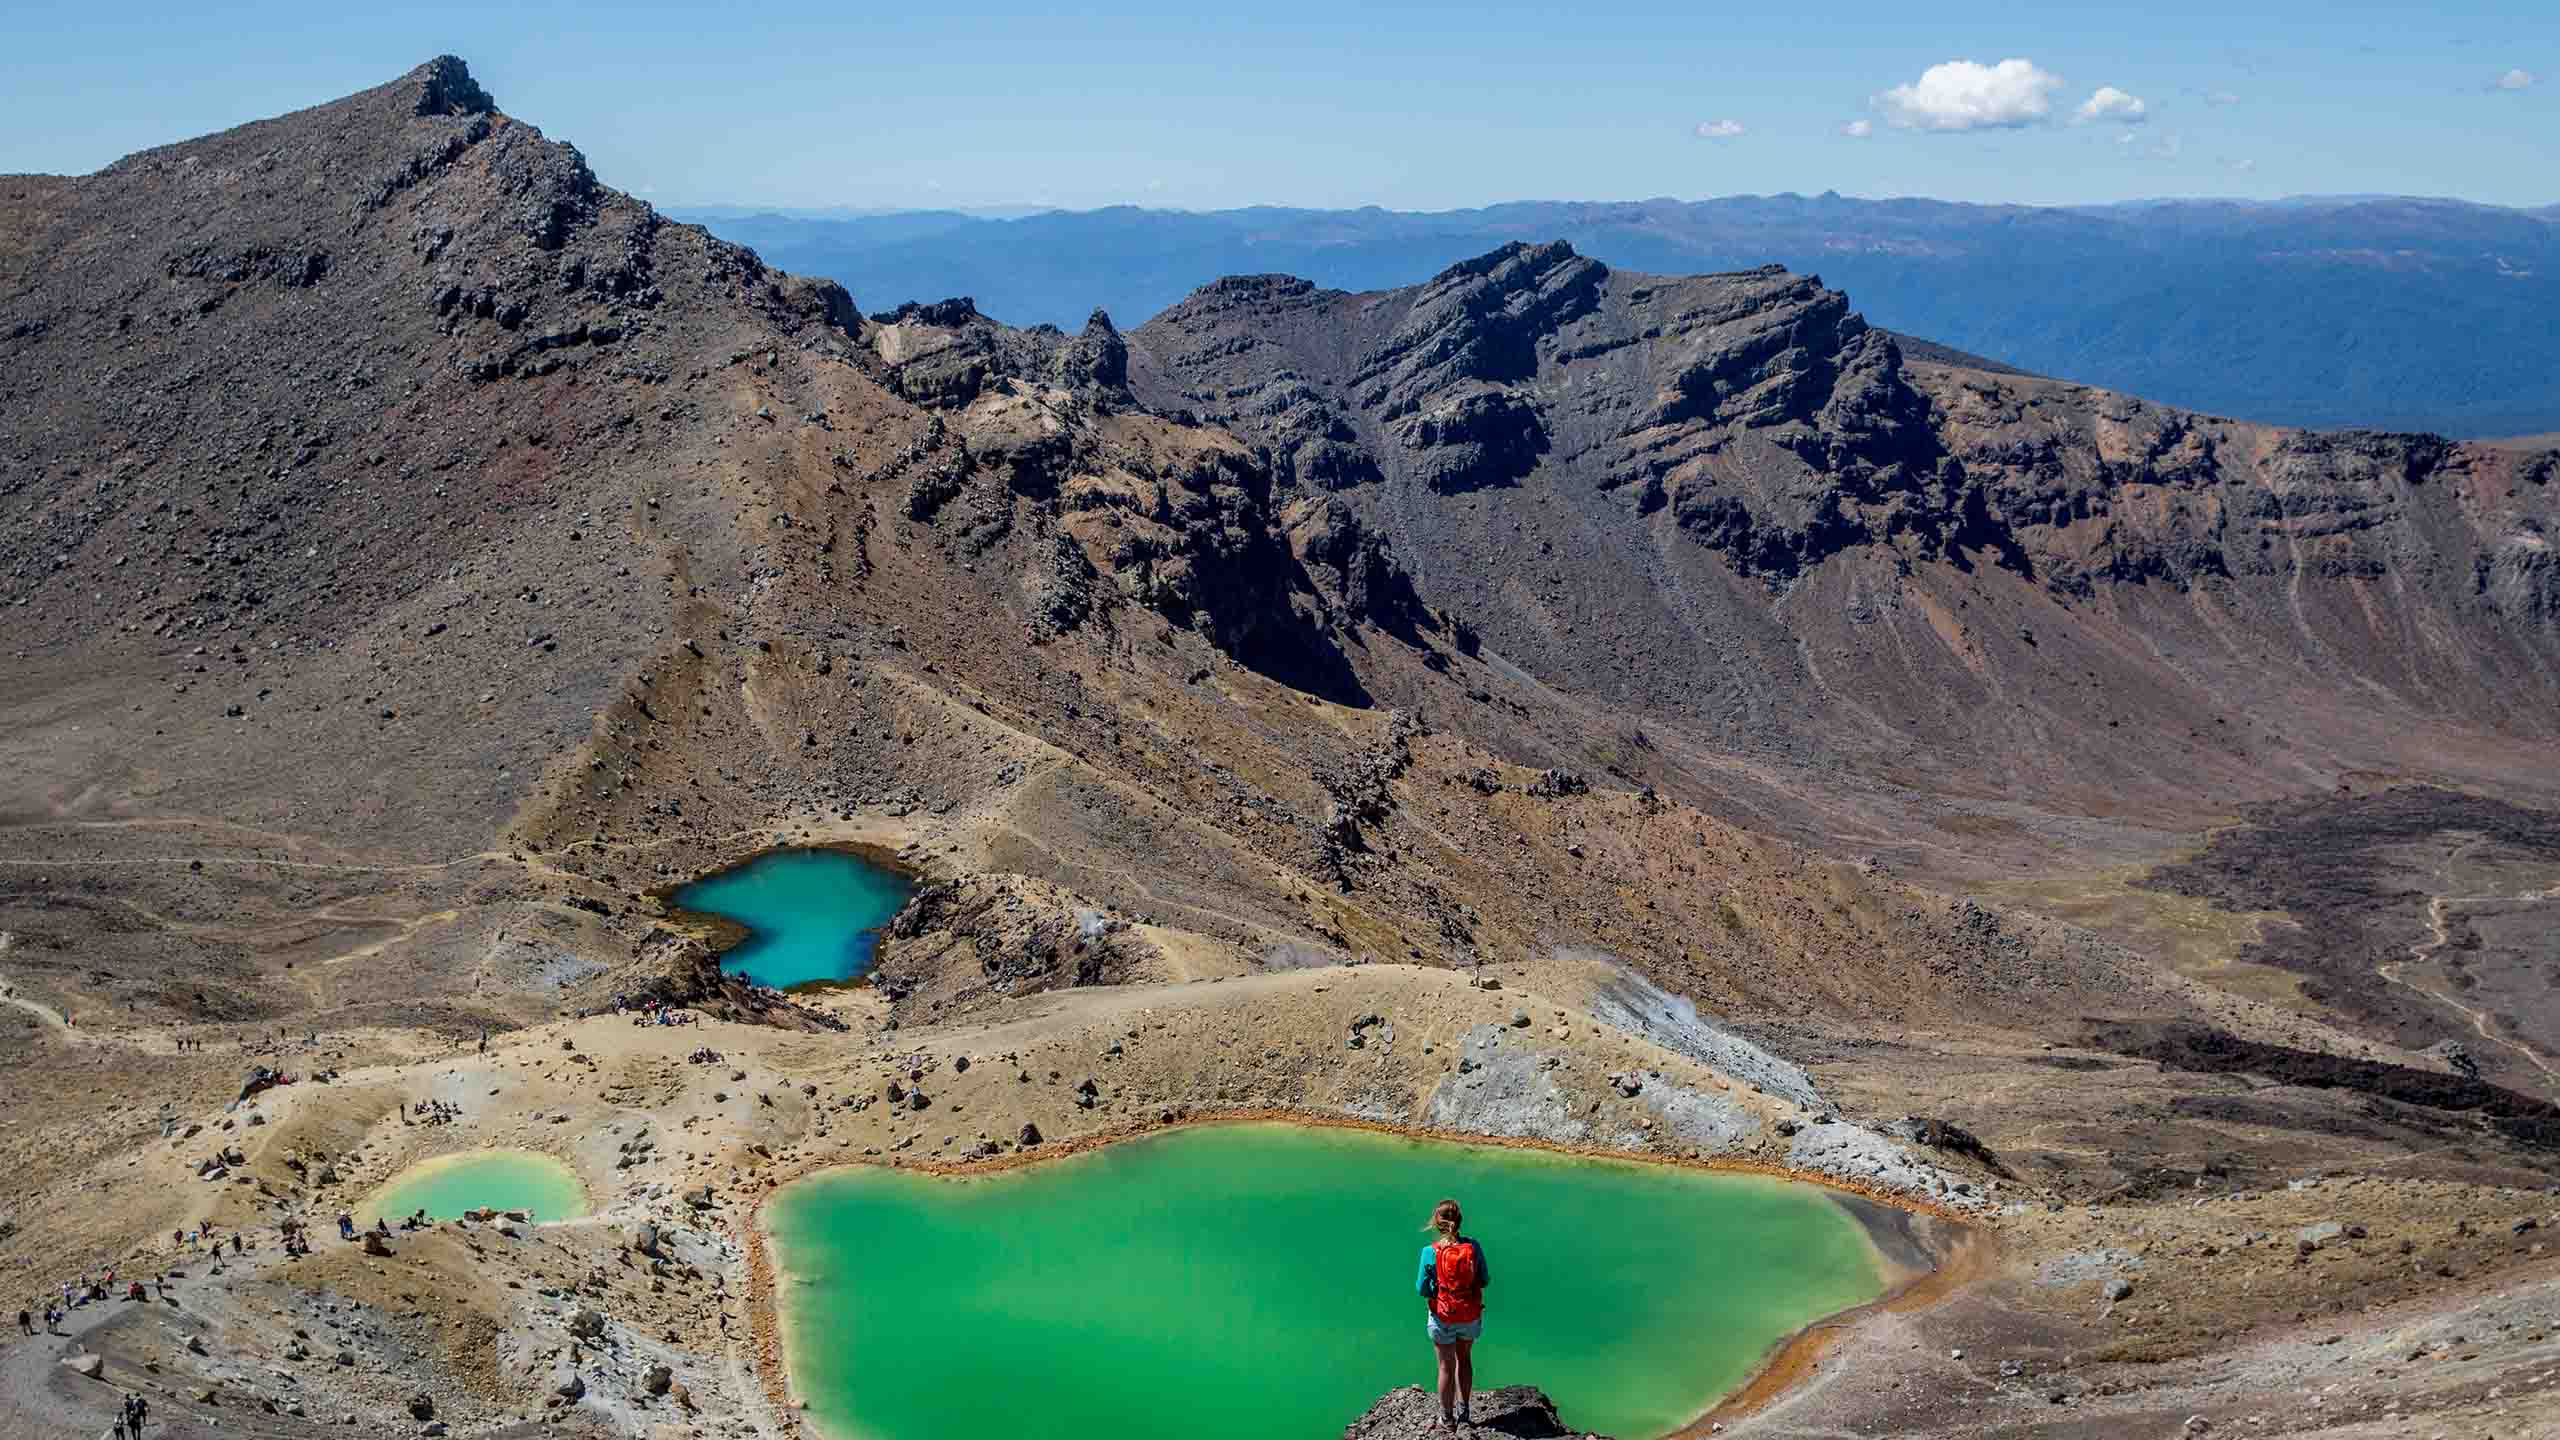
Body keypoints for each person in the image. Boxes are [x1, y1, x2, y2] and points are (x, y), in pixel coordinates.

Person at [1416, 1198, 1490, 1432]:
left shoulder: (1430, 1252)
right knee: (1464, 1360)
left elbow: (1422, 1289)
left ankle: (1447, 1419)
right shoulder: (1473, 1247)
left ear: (1436, 1224)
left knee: (1445, 1366)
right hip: (1469, 1315)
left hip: (1443, 1316)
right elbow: (1484, 1280)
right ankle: (1464, 1413)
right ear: (1459, 1222)